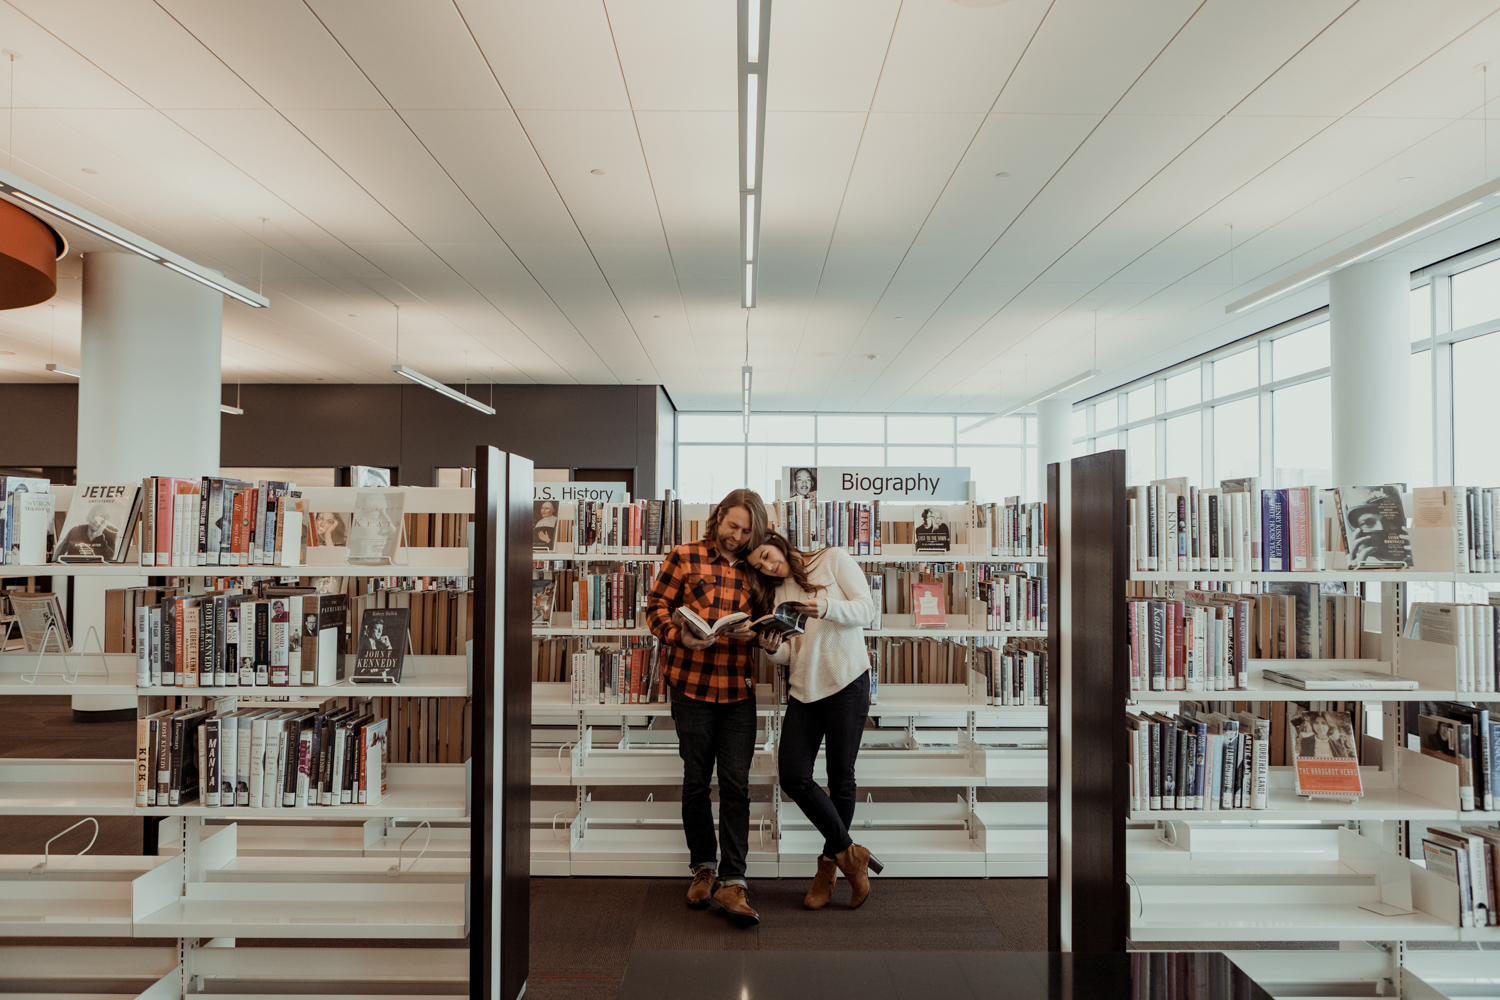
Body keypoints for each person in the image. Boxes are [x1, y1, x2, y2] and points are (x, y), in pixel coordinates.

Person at [645, 488, 779, 925]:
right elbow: (655, 607)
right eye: (733, 526)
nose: (738, 537)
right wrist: (678, 635)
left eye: (747, 531)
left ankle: (734, 878)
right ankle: (702, 867)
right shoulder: (683, 556)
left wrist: (758, 636)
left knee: (737, 785)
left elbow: (767, 627)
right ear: (718, 516)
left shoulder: (759, 570)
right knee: (696, 781)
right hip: (690, 686)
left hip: (738, 690)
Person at [747, 531, 882, 910]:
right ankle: (851, 857)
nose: (769, 566)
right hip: (805, 688)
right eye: (760, 566)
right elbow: (793, 651)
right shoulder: (774, 593)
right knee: (793, 775)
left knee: (842, 777)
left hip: (847, 679)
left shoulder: (833, 558)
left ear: (778, 542)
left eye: (768, 556)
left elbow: (865, 610)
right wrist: (774, 651)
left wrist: (824, 607)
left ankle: (827, 867)